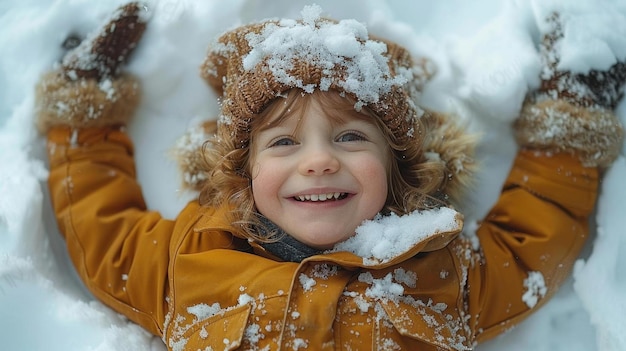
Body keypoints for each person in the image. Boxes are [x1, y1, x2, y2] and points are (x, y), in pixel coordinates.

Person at [35, 3, 624, 351]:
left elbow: (530, 242)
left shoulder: (440, 266)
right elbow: (101, 225)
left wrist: (567, 134)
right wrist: (84, 118)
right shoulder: (189, 257)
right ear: (244, 172)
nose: (317, 161)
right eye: (285, 142)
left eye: (350, 137)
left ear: (396, 166)